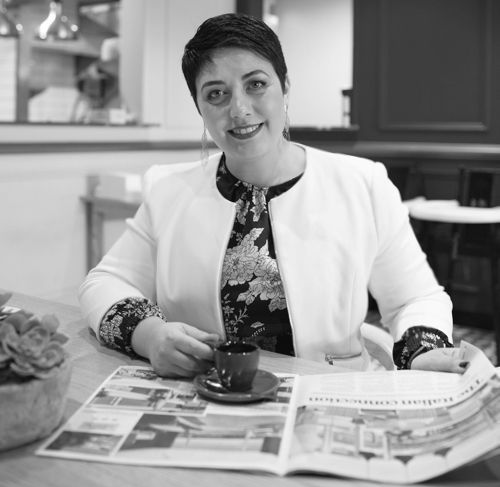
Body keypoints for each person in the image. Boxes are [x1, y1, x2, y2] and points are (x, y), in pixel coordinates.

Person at [79, 13, 468, 378]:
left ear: (284, 87)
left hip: (328, 392)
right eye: (216, 94)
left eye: (256, 84)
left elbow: (415, 298)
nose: (239, 109)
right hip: (209, 394)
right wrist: (148, 334)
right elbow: (105, 282)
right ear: (199, 107)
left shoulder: (362, 183)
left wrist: (424, 350)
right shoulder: (168, 189)